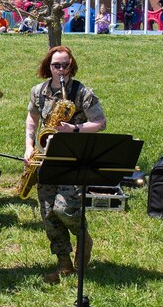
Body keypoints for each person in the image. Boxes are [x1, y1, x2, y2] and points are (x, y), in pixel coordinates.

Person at [26, 46, 107, 283]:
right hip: (46, 158)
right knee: (49, 213)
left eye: (65, 65)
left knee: (65, 209)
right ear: (48, 66)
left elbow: (100, 122)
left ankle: (83, 237)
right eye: (56, 65)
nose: (60, 70)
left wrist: (75, 128)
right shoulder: (38, 92)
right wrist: (29, 147)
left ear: (71, 66)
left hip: (74, 159)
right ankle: (63, 264)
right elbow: (31, 119)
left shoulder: (82, 92)